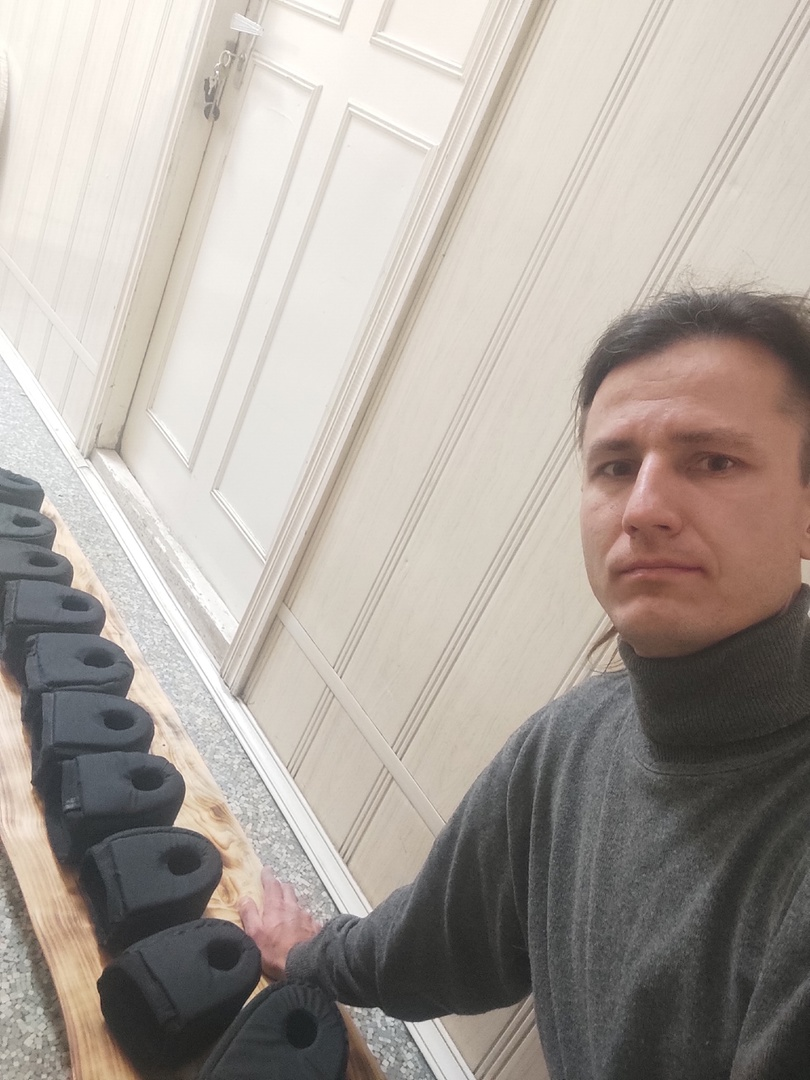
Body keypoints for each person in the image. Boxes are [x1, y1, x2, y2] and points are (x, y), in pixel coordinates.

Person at [239, 288, 810, 1079]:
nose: (644, 508)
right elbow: (432, 944)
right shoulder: (571, 744)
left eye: (714, 461)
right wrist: (309, 955)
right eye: (616, 467)